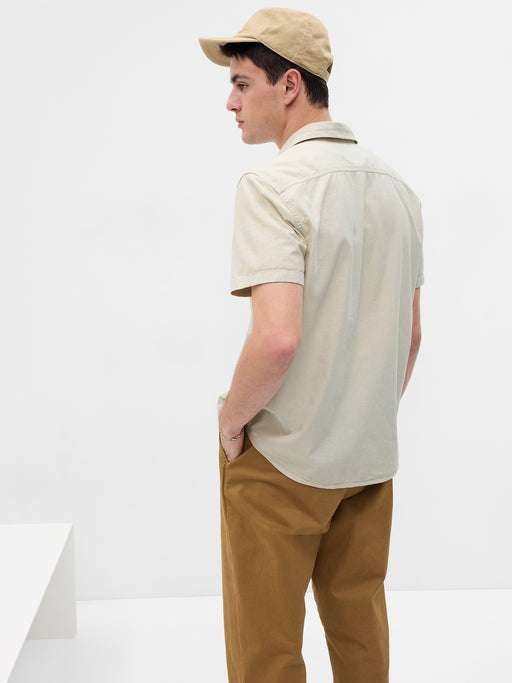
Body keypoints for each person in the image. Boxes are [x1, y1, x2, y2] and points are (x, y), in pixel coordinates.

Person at [199, 8, 423, 683]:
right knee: (361, 636)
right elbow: (411, 335)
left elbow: (277, 339)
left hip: (282, 460)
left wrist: (231, 421)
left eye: (242, 83)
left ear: (290, 84)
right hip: (367, 459)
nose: (231, 102)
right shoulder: (398, 190)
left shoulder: (270, 187)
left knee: (264, 651)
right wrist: (361, 413)